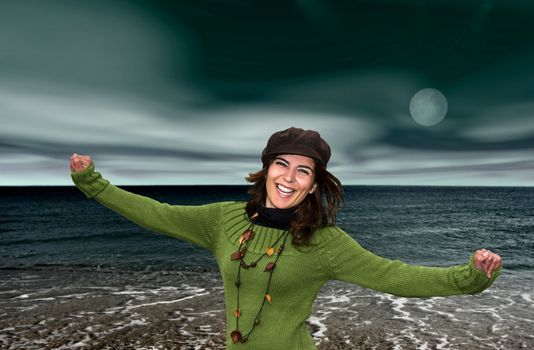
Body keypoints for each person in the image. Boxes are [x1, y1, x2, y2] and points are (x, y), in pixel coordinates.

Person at [70, 127, 503, 350]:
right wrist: (93, 183)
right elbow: (157, 214)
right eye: (281, 164)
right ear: (266, 168)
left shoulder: (324, 243)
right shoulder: (224, 220)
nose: (288, 177)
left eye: (303, 170)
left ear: (313, 184)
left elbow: (395, 276)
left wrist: (470, 278)